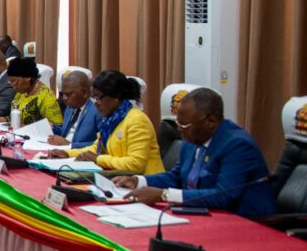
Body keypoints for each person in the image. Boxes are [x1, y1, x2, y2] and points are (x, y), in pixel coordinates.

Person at [113, 88, 276, 216]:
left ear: (210, 121)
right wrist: (137, 181)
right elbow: (176, 177)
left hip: (245, 222)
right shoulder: (193, 141)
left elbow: (224, 195)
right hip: (203, 214)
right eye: (178, 123)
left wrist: (164, 195)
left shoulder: (237, 145)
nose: (179, 129)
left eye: (184, 125)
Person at [49, 70, 165, 174]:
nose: (96, 103)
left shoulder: (137, 120)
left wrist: (98, 159)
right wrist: (67, 153)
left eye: (99, 98)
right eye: (94, 98)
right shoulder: (111, 119)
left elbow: (136, 164)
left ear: (116, 97)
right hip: (118, 179)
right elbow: (96, 148)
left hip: (146, 185)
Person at [0, 57, 62, 127]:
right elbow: (12, 118)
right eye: (10, 82)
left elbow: (57, 127)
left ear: (27, 77)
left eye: (14, 81)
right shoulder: (21, 93)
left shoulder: (46, 96)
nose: (12, 85)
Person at [48, 70, 99, 148]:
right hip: (62, 150)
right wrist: (53, 128)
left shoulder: (97, 111)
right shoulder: (70, 107)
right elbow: (67, 133)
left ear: (84, 92)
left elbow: (101, 144)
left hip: (80, 155)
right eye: (62, 94)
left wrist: (70, 145)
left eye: (68, 94)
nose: (64, 98)